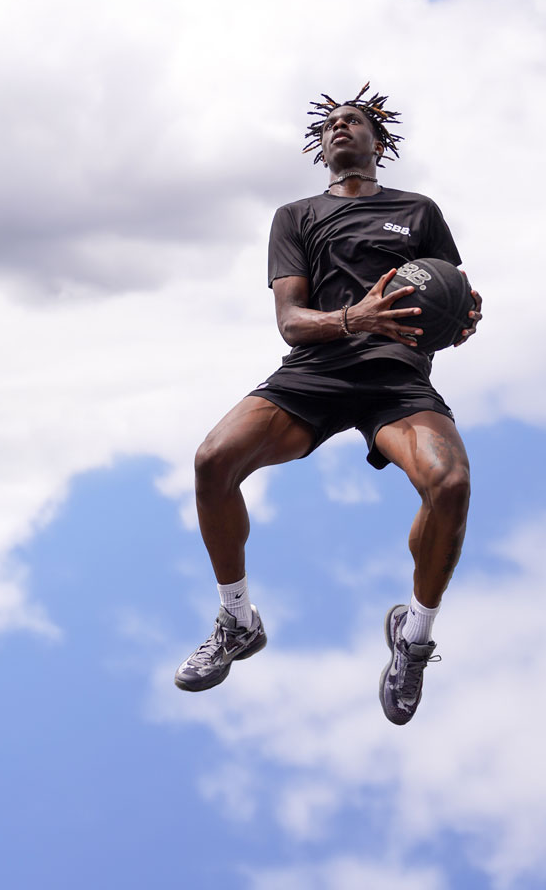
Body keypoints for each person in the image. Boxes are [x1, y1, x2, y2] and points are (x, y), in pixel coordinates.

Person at [174, 84, 482, 725]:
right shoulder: (296, 216)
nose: (341, 127)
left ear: (379, 142)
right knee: (212, 461)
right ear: (320, 148)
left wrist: (463, 318)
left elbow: (451, 296)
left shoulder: (418, 211)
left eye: (355, 121)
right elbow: (290, 322)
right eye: (331, 124)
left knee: (449, 486)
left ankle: (414, 637)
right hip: (315, 371)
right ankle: (237, 620)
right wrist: (356, 317)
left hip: (396, 381)